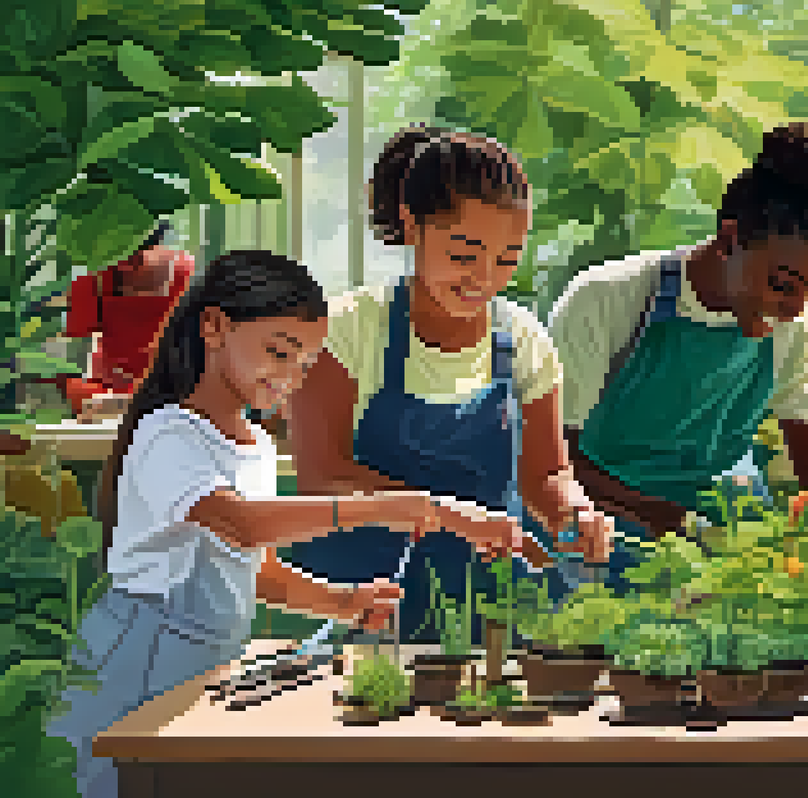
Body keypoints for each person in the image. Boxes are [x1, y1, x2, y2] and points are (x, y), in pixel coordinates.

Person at [46, 250, 532, 798]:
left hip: (208, 659)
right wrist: (393, 506)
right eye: (278, 353)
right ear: (213, 327)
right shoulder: (169, 432)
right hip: (141, 651)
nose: (288, 378)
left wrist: (343, 602)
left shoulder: (253, 446)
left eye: (304, 366)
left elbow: (254, 569)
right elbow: (243, 526)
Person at [284, 126, 611, 640]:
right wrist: (451, 517)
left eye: (506, 260)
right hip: (368, 611)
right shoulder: (348, 330)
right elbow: (323, 477)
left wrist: (575, 512)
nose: (483, 277)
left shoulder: (523, 339)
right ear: (412, 225)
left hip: (494, 619)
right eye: (464, 254)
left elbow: (546, 475)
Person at [549, 122, 808, 580]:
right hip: (591, 533)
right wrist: (668, 520)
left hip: (706, 540)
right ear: (729, 241)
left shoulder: (798, 326)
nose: (793, 309)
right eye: (782, 285)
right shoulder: (607, 298)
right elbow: (554, 462)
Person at [62, 220, 196, 420]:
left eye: (137, 255)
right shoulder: (92, 281)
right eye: (119, 256)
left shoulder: (187, 274)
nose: (126, 265)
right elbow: (74, 356)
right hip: (107, 392)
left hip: (167, 388)